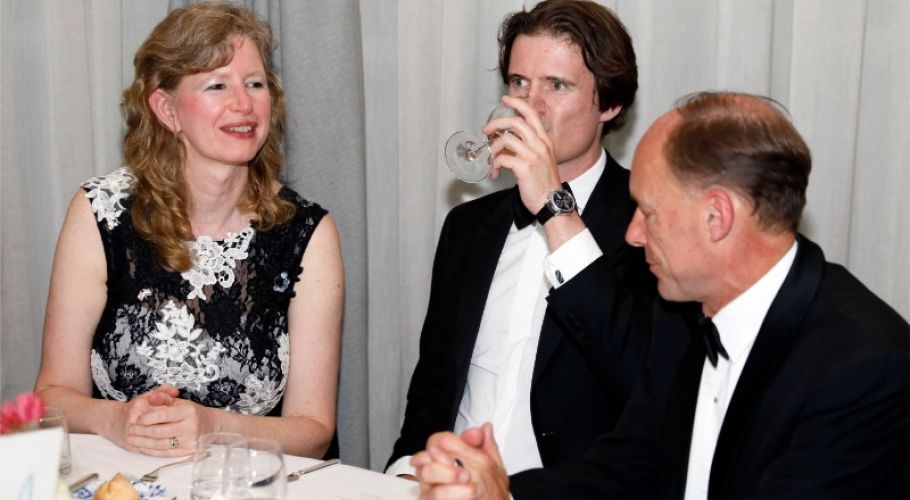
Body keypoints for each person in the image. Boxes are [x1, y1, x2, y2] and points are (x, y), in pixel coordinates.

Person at [413, 91, 910, 499]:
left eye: (648, 213)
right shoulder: (681, 314)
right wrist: (500, 493)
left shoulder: (864, 366)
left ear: (717, 217)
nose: (632, 235)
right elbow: (629, 466)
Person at [33, 3, 344, 459]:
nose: (243, 103)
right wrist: (115, 419)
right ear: (166, 109)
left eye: (255, 84)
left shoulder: (306, 233)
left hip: (246, 482)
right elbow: (50, 397)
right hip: (123, 478)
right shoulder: (100, 213)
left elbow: (314, 432)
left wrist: (213, 427)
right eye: (217, 85)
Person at [387, 0, 654, 480]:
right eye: (519, 83)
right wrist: (409, 470)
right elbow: (433, 388)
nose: (531, 106)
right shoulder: (468, 226)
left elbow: (644, 388)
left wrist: (554, 206)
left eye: (557, 85)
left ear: (610, 105)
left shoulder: (648, 223)